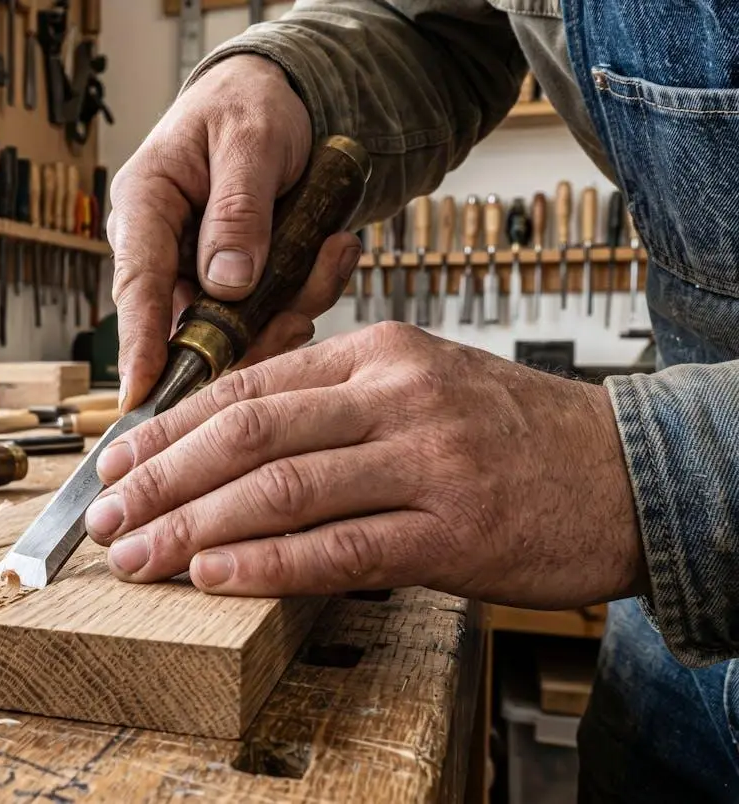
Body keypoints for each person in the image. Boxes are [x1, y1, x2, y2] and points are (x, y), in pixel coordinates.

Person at [84, 1, 739, 800]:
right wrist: (283, 79)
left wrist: (648, 470)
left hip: (682, 531)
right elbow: (434, 24)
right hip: (676, 647)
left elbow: (648, 477)